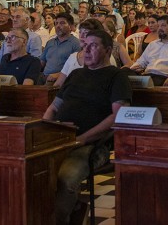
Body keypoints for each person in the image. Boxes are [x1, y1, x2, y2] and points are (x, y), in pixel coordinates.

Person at [44, 29, 131, 225]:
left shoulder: (116, 76)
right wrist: (44, 130)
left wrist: (81, 139)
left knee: (64, 179)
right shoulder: (75, 74)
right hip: (57, 139)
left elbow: (118, 116)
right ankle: (72, 210)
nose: (86, 51)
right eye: (84, 46)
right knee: (31, 174)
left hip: (90, 145)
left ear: (108, 50)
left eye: (93, 46)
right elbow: (52, 108)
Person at [126, 15, 168, 84]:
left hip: (163, 77)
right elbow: (142, 61)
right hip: (147, 76)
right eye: (158, 26)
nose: (160, 29)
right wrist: (133, 68)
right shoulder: (152, 44)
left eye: (163, 26)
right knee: (124, 72)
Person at [40, 12, 81, 84]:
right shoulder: (50, 42)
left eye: (62, 23)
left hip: (62, 80)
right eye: (56, 23)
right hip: (44, 77)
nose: (58, 26)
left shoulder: (76, 43)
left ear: (70, 26)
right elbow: (42, 62)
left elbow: (76, 68)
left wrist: (58, 75)